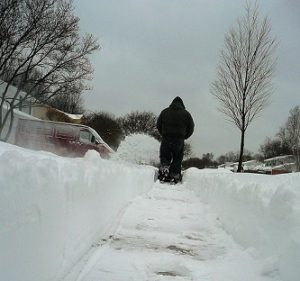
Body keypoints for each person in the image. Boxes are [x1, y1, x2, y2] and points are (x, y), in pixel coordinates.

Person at [156, 96, 194, 183]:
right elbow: (191, 128)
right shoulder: (186, 114)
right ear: (182, 104)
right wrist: (184, 136)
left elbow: (158, 125)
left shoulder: (164, 112)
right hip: (179, 139)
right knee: (177, 157)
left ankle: (164, 169)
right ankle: (174, 174)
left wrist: (164, 134)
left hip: (166, 137)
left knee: (165, 155)